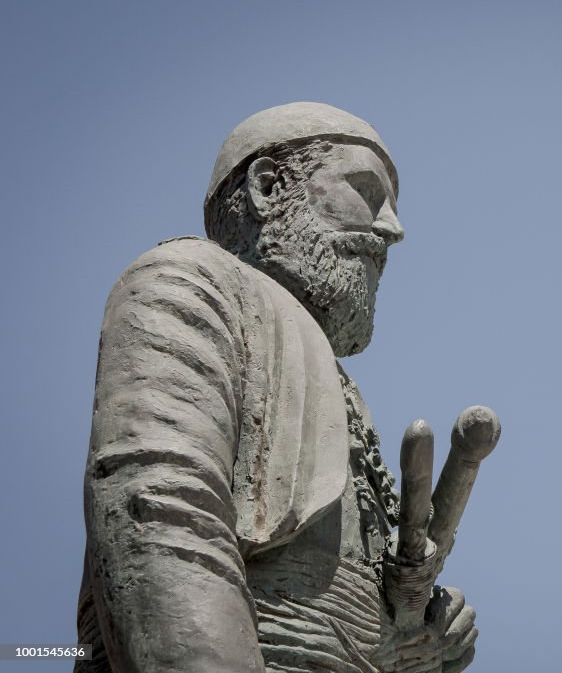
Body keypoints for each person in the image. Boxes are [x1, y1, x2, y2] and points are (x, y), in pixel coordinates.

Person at [77, 103, 479, 673]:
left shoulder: (329, 377)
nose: (392, 228)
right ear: (268, 188)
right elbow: (160, 514)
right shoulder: (189, 281)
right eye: (367, 192)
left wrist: (413, 638)